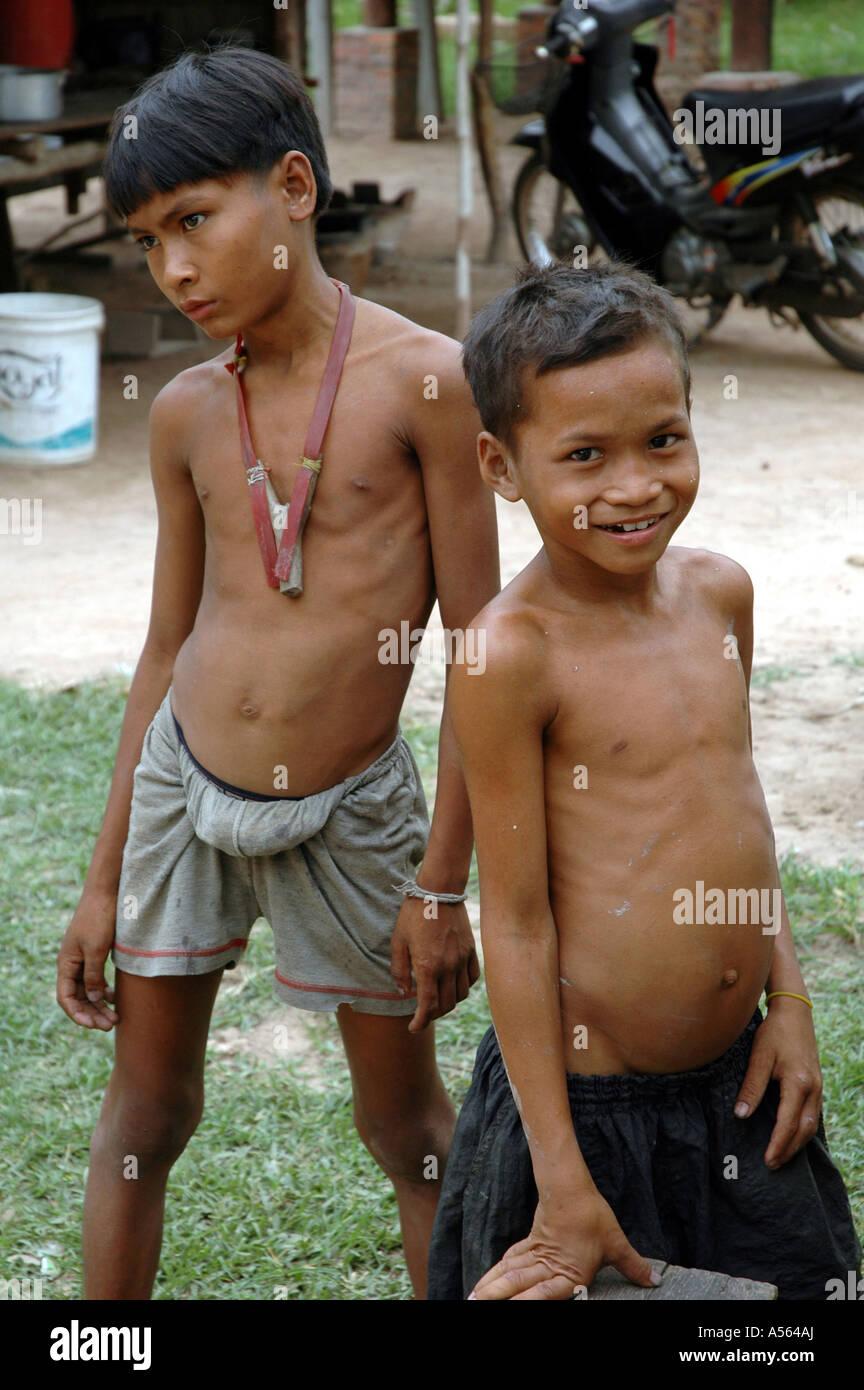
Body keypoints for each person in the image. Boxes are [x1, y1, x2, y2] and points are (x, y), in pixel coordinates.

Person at [55, 44, 499, 1300]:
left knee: (407, 1130)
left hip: (354, 807)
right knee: (144, 1119)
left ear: (293, 186)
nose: (175, 267)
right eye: (147, 241)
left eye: (194, 220)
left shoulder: (424, 380)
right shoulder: (190, 412)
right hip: (181, 786)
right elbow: (162, 649)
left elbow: (483, 649)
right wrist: (102, 882)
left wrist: (443, 883)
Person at [426, 261, 861, 1301]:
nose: (634, 485)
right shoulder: (509, 653)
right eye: (584, 456)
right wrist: (564, 1181)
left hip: (739, 1088)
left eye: (663, 439)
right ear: (502, 464)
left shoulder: (720, 596)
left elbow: (740, 816)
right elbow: (520, 925)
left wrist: (787, 997)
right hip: (590, 1118)